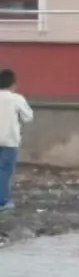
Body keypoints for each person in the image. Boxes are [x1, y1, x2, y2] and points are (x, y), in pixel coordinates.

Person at [0, 69, 33, 212]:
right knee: (5, 172)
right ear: (13, 84)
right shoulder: (16, 99)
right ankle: (3, 201)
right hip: (9, 141)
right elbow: (28, 117)